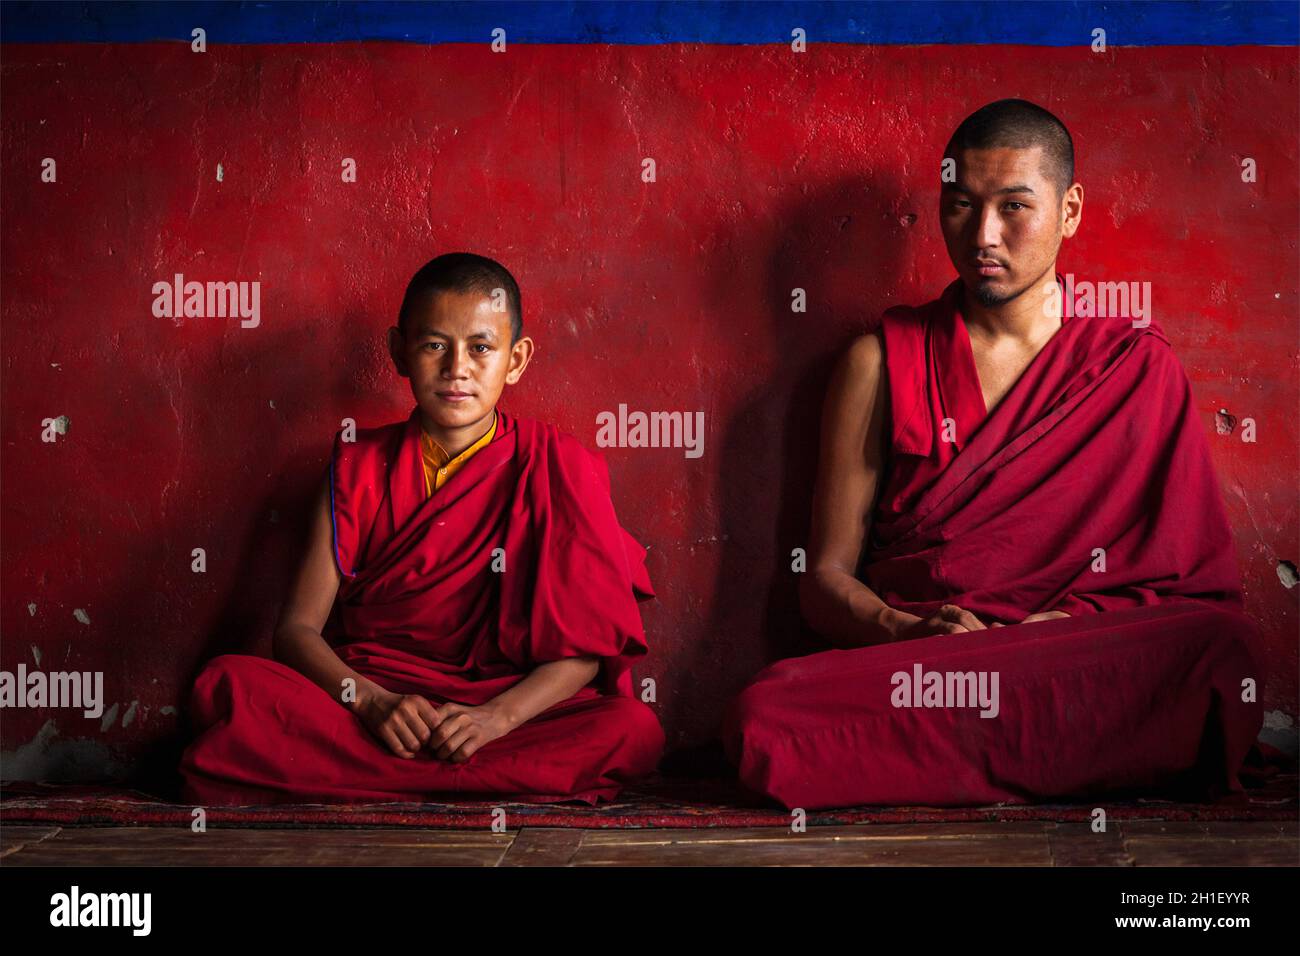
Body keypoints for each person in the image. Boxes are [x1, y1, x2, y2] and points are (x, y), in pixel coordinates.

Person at [723, 100, 1263, 810]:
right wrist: (911, 628)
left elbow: (1184, 584)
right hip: (931, 663)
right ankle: (1058, 753)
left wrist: (1055, 631)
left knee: (1220, 647)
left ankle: (960, 755)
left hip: (1069, 655)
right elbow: (822, 581)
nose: (983, 235)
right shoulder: (882, 362)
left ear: (1069, 211)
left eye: (1014, 207)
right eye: (960, 206)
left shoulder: (1131, 363)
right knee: (768, 711)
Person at [181, 253, 664, 805]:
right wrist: (369, 701)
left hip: (503, 704)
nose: (457, 367)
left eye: (481, 347)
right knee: (227, 686)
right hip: (377, 701)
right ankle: (463, 782)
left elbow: (586, 649)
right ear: (398, 352)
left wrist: (495, 720)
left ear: (516, 358)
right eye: (435, 345)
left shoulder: (559, 465)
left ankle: (368, 781)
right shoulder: (355, 465)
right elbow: (296, 631)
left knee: (630, 728)